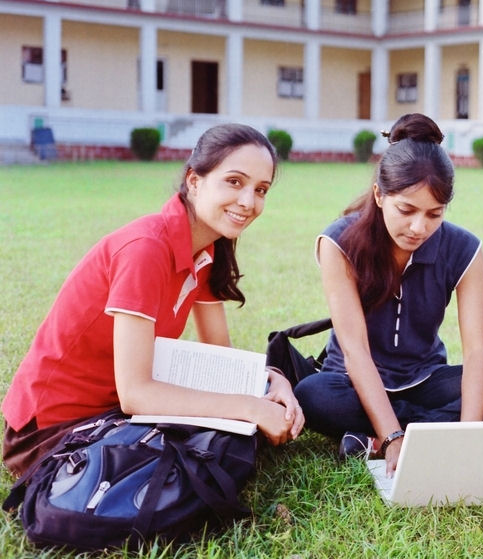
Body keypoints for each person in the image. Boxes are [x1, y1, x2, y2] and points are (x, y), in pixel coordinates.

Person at [2, 123, 305, 478]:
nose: (248, 202)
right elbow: (136, 394)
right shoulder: (146, 249)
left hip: (115, 413)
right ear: (194, 180)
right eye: (235, 182)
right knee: (213, 456)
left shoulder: (206, 249)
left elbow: (222, 359)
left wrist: (273, 382)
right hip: (53, 430)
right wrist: (249, 407)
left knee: (225, 446)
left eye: (261, 189)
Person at [293, 114, 483, 473]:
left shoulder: (465, 249)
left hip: (426, 380)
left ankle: (381, 438)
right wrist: (393, 438)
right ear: (379, 196)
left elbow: (477, 351)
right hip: (352, 382)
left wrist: (468, 434)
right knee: (312, 394)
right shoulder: (339, 242)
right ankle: (409, 432)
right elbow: (354, 351)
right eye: (406, 210)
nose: (419, 227)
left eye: (434, 214)